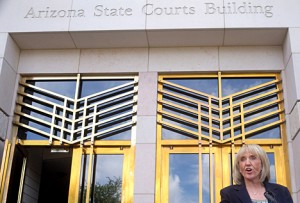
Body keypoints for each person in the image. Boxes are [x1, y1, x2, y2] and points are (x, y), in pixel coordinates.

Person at [220, 144, 293, 203]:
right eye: (243, 159)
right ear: (239, 167)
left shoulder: (282, 192)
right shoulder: (229, 194)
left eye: (253, 158)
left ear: (262, 164)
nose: (247, 163)